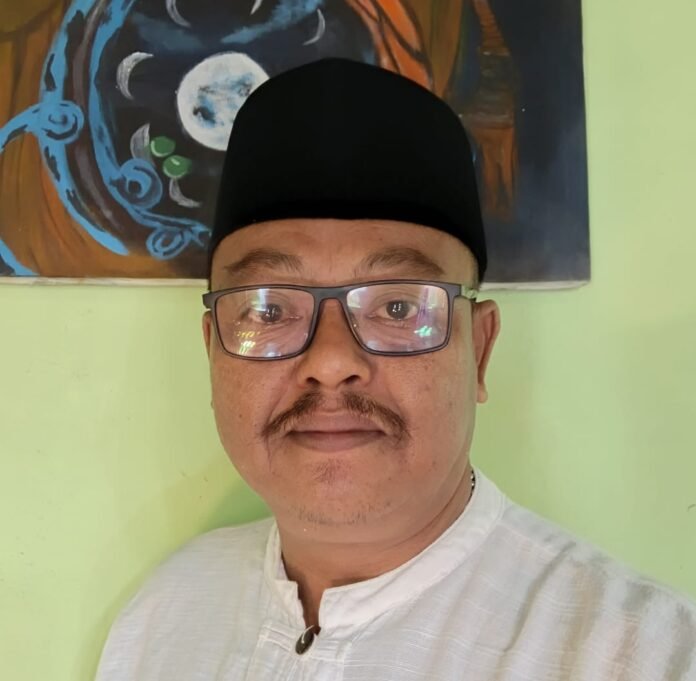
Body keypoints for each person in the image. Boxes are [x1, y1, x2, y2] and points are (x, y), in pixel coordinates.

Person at [95, 58, 696, 680]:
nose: (330, 362)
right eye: (269, 309)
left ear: (479, 349)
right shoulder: (163, 615)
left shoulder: (639, 655)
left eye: (399, 307)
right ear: (212, 351)